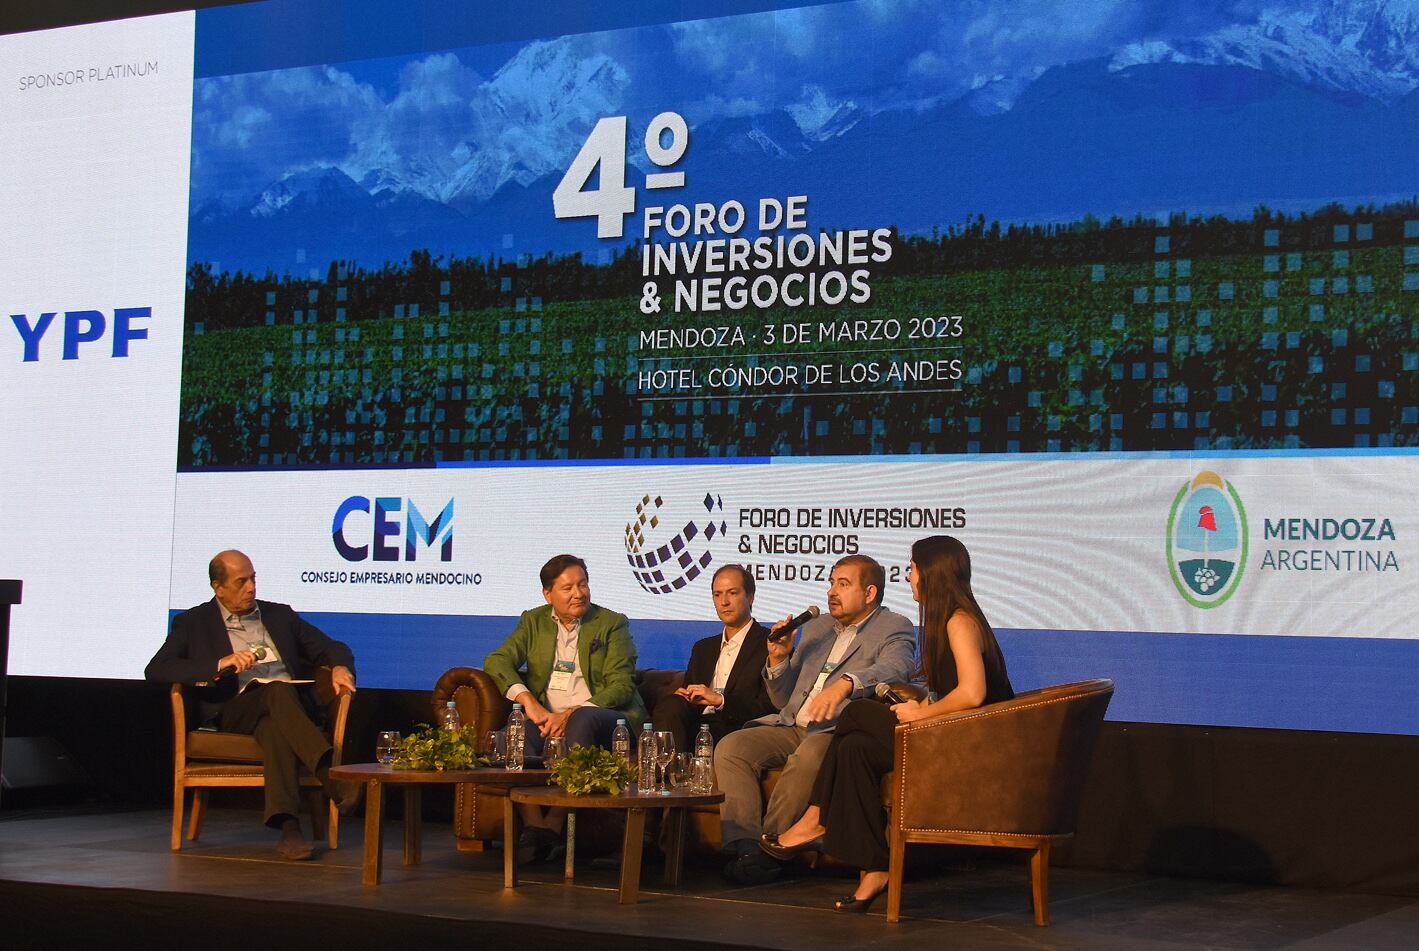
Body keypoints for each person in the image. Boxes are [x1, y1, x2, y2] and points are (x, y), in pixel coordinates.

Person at [763, 535, 1014, 912]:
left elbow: (973, 693)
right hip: (949, 732)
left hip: (969, 743)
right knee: (854, 748)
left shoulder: (960, 621)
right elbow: (952, 690)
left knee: (855, 712)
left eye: (912, 569)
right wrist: (920, 698)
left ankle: (817, 815)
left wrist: (921, 713)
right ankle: (874, 868)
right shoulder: (946, 621)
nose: (909, 577)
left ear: (931, 573)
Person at [145, 549, 360, 861]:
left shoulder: (279, 616)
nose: (251, 588)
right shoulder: (193, 622)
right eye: (241, 582)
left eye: (253, 579)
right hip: (234, 708)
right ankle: (331, 776)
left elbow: (332, 646)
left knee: (275, 722)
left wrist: (339, 666)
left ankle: (289, 830)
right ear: (218, 587)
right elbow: (157, 669)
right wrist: (220, 663)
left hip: (287, 707)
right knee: (274, 692)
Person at [714, 554, 916, 885]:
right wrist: (778, 661)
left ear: (870, 593)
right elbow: (784, 699)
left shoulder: (894, 626)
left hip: (834, 730)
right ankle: (745, 846)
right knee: (732, 746)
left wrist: (847, 683)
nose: (831, 592)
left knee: (808, 756)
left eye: (843, 584)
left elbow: (897, 667)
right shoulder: (818, 628)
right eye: (831, 583)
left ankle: (771, 847)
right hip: (792, 724)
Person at [483, 553, 647, 861]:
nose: (579, 593)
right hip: (547, 717)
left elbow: (622, 685)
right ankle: (535, 825)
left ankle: (556, 823)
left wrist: (569, 713)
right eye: (568, 587)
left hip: (605, 718)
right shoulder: (533, 621)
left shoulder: (611, 623)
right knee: (512, 734)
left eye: (583, 584)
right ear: (548, 594)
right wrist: (529, 702)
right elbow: (496, 660)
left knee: (580, 721)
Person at [652, 563, 777, 752]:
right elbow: (690, 697)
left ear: (750, 597)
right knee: (671, 704)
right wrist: (685, 696)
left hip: (735, 726)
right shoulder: (703, 648)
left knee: (711, 729)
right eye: (717, 594)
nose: (724, 602)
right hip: (697, 723)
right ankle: (669, 776)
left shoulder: (770, 645)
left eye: (732, 593)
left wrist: (719, 700)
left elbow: (767, 707)